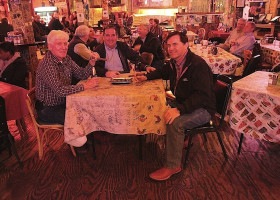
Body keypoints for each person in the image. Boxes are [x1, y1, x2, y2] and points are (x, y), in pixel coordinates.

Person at [136, 31, 216, 181]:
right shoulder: (174, 62)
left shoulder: (198, 65)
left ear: (185, 45)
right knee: (159, 106)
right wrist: (146, 76)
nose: (171, 48)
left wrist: (179, 110)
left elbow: (202, 96)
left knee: (175, 122)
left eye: (175, 44)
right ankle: (178, 140)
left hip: (203, 108)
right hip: (185, 102)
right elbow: (163, 71)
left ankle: (173, 165)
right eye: (168, 45)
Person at [35, 30, 99, 134]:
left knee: (89, 111)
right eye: (59, 44)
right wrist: (84, 87)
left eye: (65, 43)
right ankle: (79, 146)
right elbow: (59, 91)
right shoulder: (47, 64)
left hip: (64, 102)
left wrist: (91, 63)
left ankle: (84, 141)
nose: (64, 47)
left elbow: (81, 74)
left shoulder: (66, 59)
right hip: (48, 109)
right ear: (50, 46)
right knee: (79, 119)